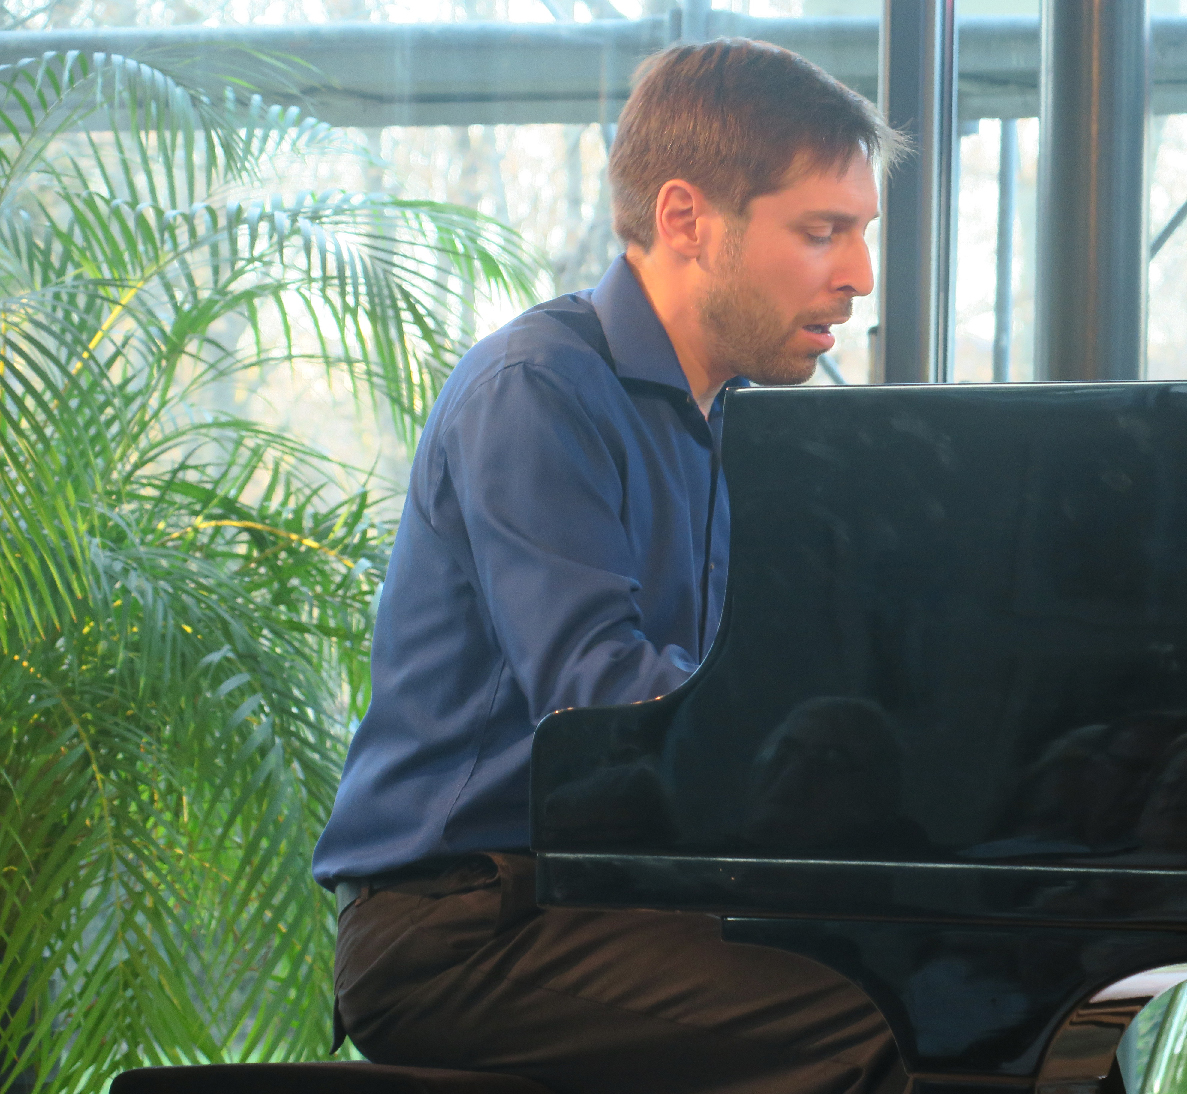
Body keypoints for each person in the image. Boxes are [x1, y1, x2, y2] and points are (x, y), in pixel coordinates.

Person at [312, 39, 907, 1094]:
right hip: (464, 923)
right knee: (883, 1024)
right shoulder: (537, 387)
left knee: (989, 1005)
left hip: (622, 897)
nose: (859, 274)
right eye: (822, 231)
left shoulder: (740, 425)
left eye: (861, 231)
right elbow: (599, 695)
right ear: (685, 218)